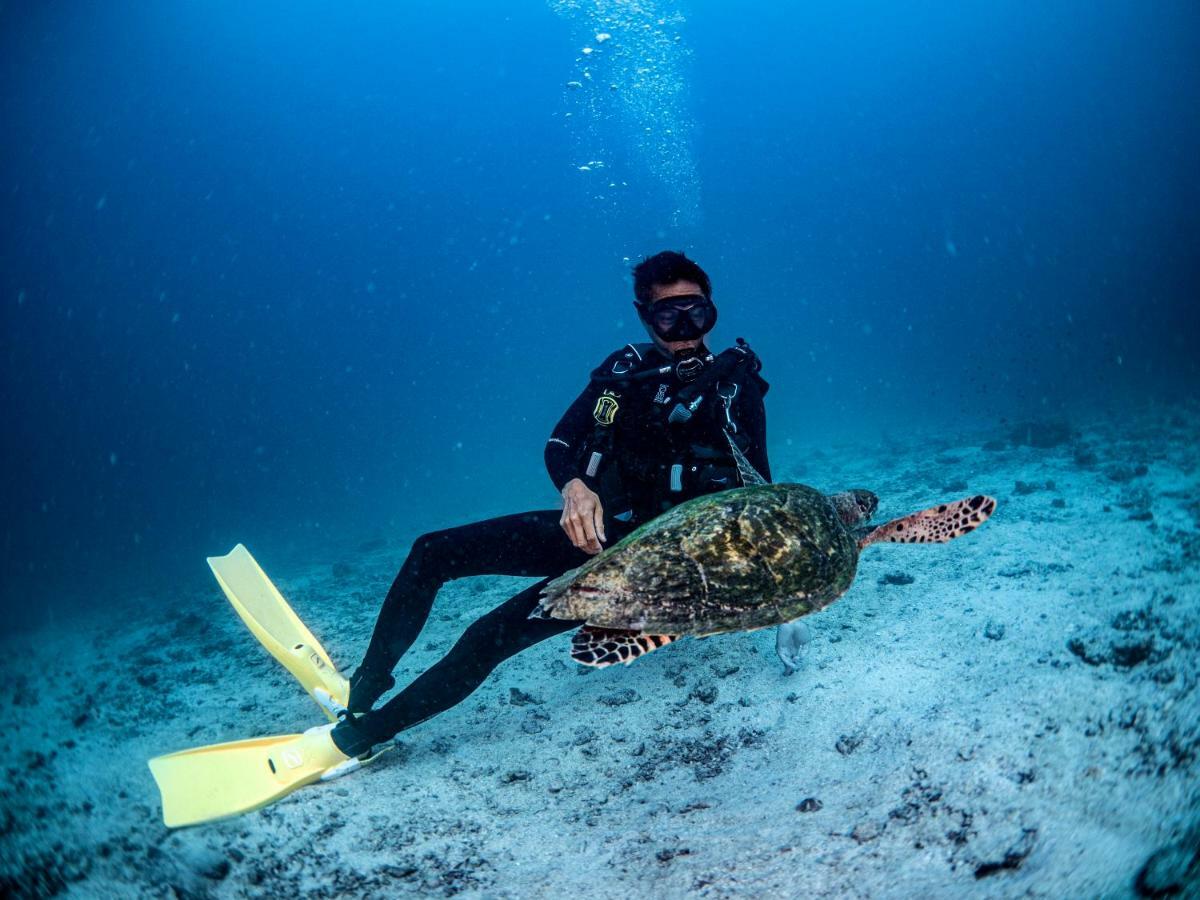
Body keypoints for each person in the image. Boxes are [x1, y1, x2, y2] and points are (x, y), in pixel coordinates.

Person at [329, 251, 771, 757]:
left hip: (663, 564)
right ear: (643, 316)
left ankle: (362, 737)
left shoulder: (735, 388)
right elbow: (560, 443)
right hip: (605, 532)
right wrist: (574, 487)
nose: (684, 329)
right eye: (667, 316)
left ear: (712, 309)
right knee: (432, 551)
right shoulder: (622, 372)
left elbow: (760, 493)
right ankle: (367, 683)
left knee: (487, 636)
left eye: (696, 312)